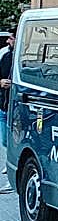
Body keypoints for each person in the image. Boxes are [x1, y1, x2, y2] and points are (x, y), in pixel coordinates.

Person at [0, 31, 14, 195]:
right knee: (5, 140)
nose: (8, 40)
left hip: (15, 108)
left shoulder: (24, 59)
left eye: (11, 37)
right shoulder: (6, 57)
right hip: (3, 105)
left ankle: (11, 179)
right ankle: (9, 164)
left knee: (12, 142)